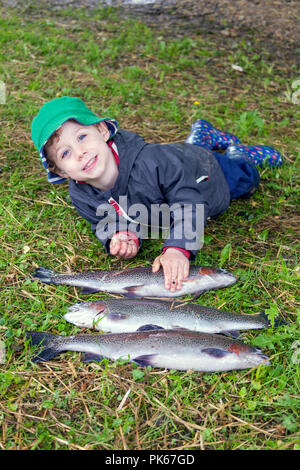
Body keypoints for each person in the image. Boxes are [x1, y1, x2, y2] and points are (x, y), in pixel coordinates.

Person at [31, 97, 283, 293]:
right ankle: (201, 136)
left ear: (103, 131)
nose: (80, 153)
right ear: (61, 172)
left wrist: (177, 248)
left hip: (206, 173)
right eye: (65, 153)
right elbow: (102, 219)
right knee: (184, 154)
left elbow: (188, 202)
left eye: (82, 137)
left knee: (247, 181)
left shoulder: (150, 163)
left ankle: (239, 154)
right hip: (177, 160)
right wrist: (119, 234)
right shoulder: (81, 192)